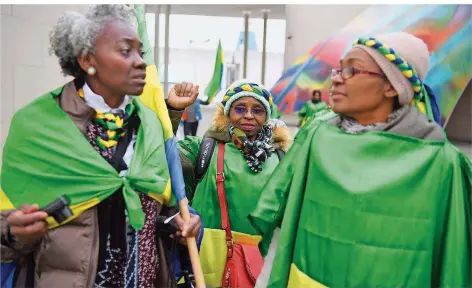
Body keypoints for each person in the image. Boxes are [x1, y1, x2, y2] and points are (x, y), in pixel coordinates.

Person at [0, 5, 203, 288]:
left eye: (140, 53)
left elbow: (163, 208)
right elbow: (6, 229)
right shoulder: (38, 125)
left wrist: (183, 224)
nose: (140, 62)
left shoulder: (151, 125)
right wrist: (12, 232)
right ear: (87, 60)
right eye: (125, 51)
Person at [250, 32, 471, 287]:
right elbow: (282, 231)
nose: (336, 79)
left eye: (352, 70)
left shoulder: (441, 163)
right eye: (338, 70)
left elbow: (453, 257)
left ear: (392, 86)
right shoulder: (316, 139)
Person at [177, 80, 292, 287]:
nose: (248, 115)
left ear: (267, 116)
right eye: (240, 108)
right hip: (207, 265)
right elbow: (159, 155)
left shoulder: (284, 159)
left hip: (262, 268)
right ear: (227, 113)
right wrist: (174, 110)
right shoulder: (202, 149)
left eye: (257, 110)